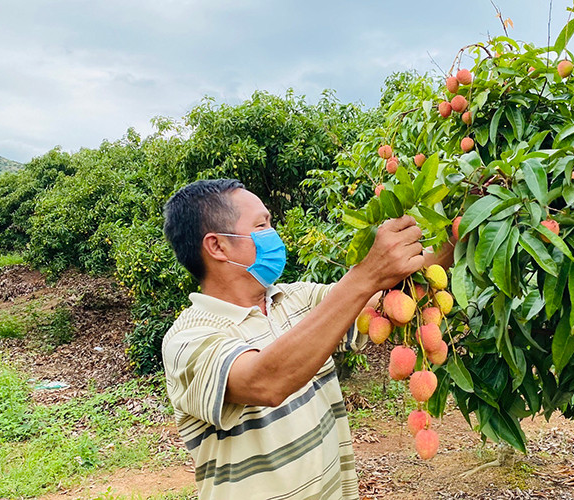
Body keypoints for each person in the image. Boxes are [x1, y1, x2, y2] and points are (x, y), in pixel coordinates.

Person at [161, 179, 454, 499]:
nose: (274, 233)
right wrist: (367, 274)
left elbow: (390, 294)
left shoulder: (298, 299)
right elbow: (266, 382)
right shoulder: (187, 339)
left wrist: (460, 234)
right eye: (261, 225)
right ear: (218, 246)